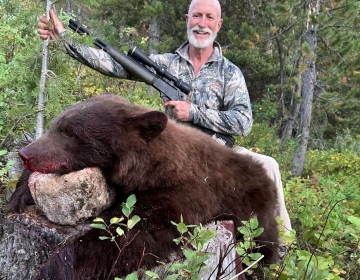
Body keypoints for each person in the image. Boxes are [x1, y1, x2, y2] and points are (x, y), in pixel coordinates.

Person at [37, 0, 292, 236]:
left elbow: (243, 122)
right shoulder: (166, 64)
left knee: (267, 165)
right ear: (187, 19)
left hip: (220, 154)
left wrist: (193, 113)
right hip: (179, 156)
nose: (202, 23)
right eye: (197, 16)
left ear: (218, 24)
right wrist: (65, 40)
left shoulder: (230, 73)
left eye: (209, 17)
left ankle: (283, 242)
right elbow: (114, 64)